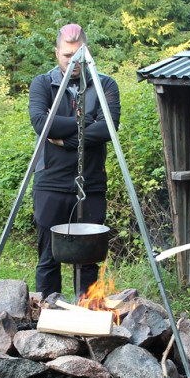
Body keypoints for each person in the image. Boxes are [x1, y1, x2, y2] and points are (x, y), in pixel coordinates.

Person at [28, 23, 121, 300]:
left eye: (78, 54)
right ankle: (47, 318)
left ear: (87, 52)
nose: (72, 61)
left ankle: (87, 320)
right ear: (57, 53)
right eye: (67, 55)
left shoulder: (105, 84)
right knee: (48, 258)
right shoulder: (43, 83)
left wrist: (66, 139)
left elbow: (108, 128)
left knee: (89, 259)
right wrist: (85, 124)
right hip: (51, 183)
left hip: (90, 183)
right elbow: (42, 124)